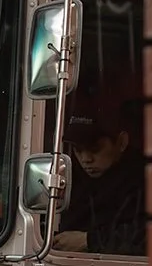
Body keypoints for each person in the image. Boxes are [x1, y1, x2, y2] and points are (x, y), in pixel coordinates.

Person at [53, 98, 146, 256]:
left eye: (95, 149)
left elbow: (148, 237)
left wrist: (89, 241)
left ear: (121, 143)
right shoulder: (71, 176)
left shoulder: (145, 181)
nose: (85, 159)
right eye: (77, 150)